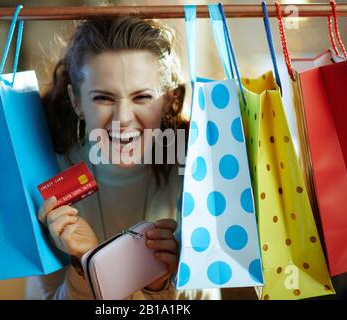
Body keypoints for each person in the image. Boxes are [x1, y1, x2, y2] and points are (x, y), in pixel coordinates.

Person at [27, 15, 221, 300]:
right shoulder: (47, 174)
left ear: (167, 99)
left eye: (142, 97)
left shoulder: (195, 169)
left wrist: (161, 284)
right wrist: (85, 264)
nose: (123, 119)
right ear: (76, 101)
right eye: (103, 98)